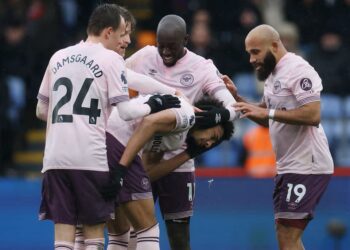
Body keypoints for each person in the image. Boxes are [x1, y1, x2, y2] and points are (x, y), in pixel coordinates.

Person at [36, 4, 180, 250]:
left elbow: (41, 111)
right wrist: (155, 103)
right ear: (108, 31)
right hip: (89, 158)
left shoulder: (58, 56)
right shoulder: (110, 59)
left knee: (64, 237)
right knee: (93, 234)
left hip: (54, 159)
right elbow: (126, 112)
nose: (126, 39)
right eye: (123, 32)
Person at [125, 14, 240, 250]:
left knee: (179, 238)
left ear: (186, 40)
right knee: (132, 235)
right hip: (142, 154)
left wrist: (217, 116)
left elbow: (233, 108)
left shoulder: (203, 67)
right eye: (161, 46)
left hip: (177, 160)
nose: (165, 52)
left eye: (172, 47)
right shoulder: (145, 56)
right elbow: (114, 76)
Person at [226, 24, 333, 250]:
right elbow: (268, 118)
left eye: (255, 52)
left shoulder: (299, 70)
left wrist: (268, 112)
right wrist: (239, 99)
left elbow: (313, 114)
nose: (251, 59)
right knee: (286, 236)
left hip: (307, 164)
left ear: (274, 45)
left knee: (287, 236)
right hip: (288, 165)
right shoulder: (273, 73)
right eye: (249, 53)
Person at [105, 95, 234, 250]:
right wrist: (122, 168)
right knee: (148, 230)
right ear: (207, 117)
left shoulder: (177, 140)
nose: (208, 144)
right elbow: (148, 123)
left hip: (104, 144)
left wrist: (187, 154)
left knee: (117, 234)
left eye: (213, 143)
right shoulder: (186, 112)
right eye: (213, 136)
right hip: (112, 142)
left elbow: (147, 172)